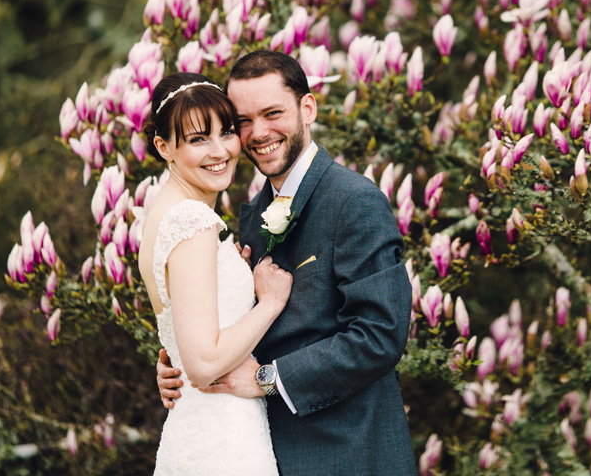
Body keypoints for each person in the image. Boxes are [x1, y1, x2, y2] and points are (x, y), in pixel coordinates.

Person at [157, 51, 417, 475]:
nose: (259, 132)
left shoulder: (354, 201)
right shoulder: (251, 213)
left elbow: (380, 334)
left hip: (347, 454)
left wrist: (269, 379)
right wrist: (182, 360)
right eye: (243, 121)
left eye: (273, 113)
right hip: (264, 452)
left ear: (307, 108)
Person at [137, 71, 293, 475]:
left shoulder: (166, 213)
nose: (220, 150)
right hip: (223, 439)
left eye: (226, 131)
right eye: (197, 139)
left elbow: (187, 334)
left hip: (203, 428)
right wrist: (271, 302)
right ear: (163, 147)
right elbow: (204, 364)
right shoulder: (191, 220)